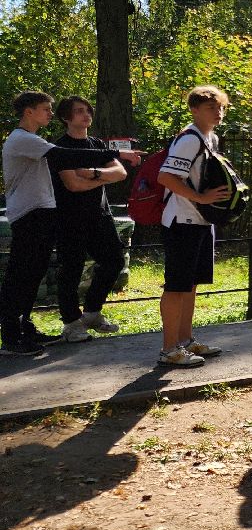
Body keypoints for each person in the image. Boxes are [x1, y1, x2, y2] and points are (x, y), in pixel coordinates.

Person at [1, 92, 138, 357]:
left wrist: (95, 172)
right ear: (29, 112)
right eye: (45, 109)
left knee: (33, 273)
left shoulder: (33, 139)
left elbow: (93, 168)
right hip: (29, 215)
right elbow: (65, 157)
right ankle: (11, 337)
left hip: (42, 213)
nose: (50, 114)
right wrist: (118, 153)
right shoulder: (22, 139)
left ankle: (25, 328)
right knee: (21, 275)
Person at [155, 85, 234, 367]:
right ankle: (168, 350)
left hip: (200, 221)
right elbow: (166, 177)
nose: (219, 112)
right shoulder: (189, 139)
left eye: (221, 107)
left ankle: (185, 342)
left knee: (190, 285)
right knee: (177, 286)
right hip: (181, 222)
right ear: (195, 109)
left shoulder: (209, 137)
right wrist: (201, 198)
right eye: (212, 107)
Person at [50, 96, 129, 343]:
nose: (86, 115)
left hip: (100, 215)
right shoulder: (60, 147)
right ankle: (71, 324)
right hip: (70, 218)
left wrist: (94, 174)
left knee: (114, 261)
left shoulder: (96, 144)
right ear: (66, 117)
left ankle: (92, 313)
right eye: (79, 111)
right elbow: (72, 184)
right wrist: (105, 178)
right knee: (71, 270)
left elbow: (122, 172)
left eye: (88, 111)